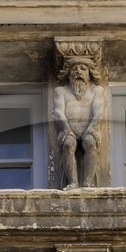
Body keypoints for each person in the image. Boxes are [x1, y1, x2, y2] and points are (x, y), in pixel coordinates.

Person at [53, 53, 106, 188]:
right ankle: (73, 182)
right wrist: (66, 129)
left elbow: (99, 112)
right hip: (68, 129)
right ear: (69, 74)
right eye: (74, 69)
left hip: (90, 128)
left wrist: (92, 129)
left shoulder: (96, 90)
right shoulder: (61, 91)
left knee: (90, 143)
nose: (79, 72)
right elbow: (58, 112)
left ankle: (88, 182)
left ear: (89, 74)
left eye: (83, 69)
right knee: (68, 145)